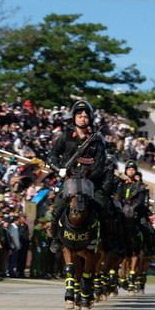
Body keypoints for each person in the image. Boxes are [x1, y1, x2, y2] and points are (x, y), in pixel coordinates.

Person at [46, 100, 108, 254]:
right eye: (79, 115)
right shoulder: (65, 137)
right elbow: (52, 155)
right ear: (74, 118)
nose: (83, 118)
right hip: (69, 181)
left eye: (86, 116)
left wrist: (88, 177)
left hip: (90, 183)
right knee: (57, 209)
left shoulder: (97, 139)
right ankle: (56, 239)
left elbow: (100, 164)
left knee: (105, 208)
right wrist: (58, 169)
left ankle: (104, 241)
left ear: (90, 119)